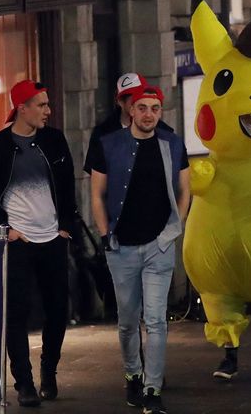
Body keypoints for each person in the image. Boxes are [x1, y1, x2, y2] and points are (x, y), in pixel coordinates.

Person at [0, 80, 76, 407]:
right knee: (16, 312)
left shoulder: (54, 141)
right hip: (17, 242)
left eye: (47, 104)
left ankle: (49, 371)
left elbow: (68, 184)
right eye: (41, 105)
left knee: (58, 309)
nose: (48, 110)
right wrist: (6, 228)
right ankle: (24, 383)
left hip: (52, 238)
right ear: (22, 108)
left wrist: (66, 226)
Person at [90, 86, 190, 414]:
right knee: (127, 321)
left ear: (161, 112)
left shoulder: (173, 144)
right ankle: (133, 373)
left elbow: (185, 190)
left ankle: (153, 389)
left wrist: (172, 232)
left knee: (157, 320)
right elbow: (97, 194)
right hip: (120, 245)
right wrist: (106, 235)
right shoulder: (108, 145)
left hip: (158, 245)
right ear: (131, 111)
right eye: (143, 107)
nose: (149, 114)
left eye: (156, 108)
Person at [83, 72, 173, 174]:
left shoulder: (164, 133)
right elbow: (95, 174)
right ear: (120, 101)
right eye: (134, 98)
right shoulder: (103, 134)